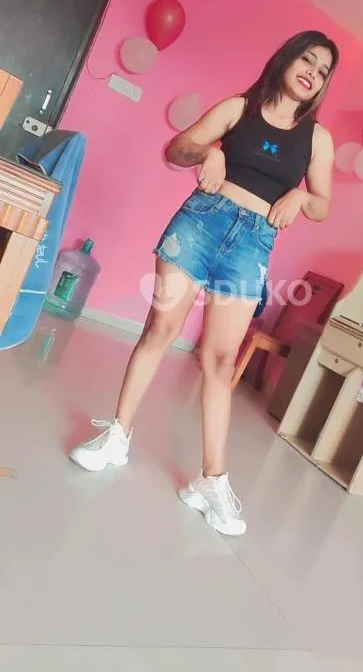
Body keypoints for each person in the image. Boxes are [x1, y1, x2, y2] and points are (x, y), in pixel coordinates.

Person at [69, 30, 339, 536]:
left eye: (323, 71)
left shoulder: (317, 139)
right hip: (199, 225)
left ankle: (210, 482)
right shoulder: (239, 107)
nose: (313, 73)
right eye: (307, 60)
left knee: (219, 360)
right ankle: (117, 437)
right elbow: (178, 148)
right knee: (160, 330)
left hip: (251, 245)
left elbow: (323, 205)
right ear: (286, 58)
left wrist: (302, 198)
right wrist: (209, 152)